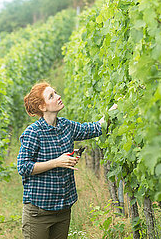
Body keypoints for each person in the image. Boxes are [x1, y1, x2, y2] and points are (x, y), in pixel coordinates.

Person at [16, 81, 116, 239]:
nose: (58, 96)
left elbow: (95, 128)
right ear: (42, 107)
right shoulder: (33, 133)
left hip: (63, 209)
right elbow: (23, 167)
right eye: (51, 96)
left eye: (55, 92)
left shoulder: (66, 126)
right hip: (39, 212)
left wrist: (114, 110)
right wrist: (57, 162)